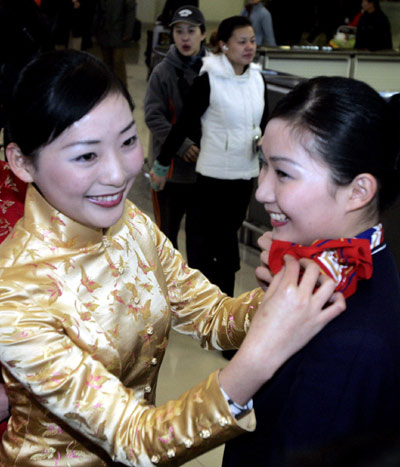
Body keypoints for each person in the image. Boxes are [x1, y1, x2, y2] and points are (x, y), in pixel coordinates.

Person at [0, 49, 345, 465]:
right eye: (86, 155)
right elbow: (134, 439)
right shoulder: (14, 295)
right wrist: (259, 358)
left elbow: (211, 316)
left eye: (128, 141)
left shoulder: (130, 223)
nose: (118, 173)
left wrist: (288, 294)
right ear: (21, 162)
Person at [223, 76, 400, 466]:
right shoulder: (327, 270)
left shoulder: (352, 343)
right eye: (263, 165)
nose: (262, 191)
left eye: (283, 173)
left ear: (358, 191)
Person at [152, 16, 269, 297]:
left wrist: (264, 141)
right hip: (213, 175)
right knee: (209, 241)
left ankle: (225, 304)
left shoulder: (256, 77)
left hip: (245, 174)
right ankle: (211, 302)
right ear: (224, 45)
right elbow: (183, 125)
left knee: (228, 237)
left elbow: (262, 122)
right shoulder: (209, 79)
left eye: (252, 40)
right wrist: (162, 162)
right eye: (241, 41)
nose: (249, 47)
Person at [144, 5, 207, 251]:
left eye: (191, 31)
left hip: (206, 170)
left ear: (202, 33)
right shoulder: (163, 72)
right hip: (170, 172)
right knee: (167, 238)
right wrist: (182, 146)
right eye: (179, 31)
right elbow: (153, 116)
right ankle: (166, 287)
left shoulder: (215, 71)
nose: (185, 37)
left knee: (200, 239)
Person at [93, 0, 136, 86]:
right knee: (106, 62)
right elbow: (98, 11)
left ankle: (121, 87)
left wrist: (128, 32)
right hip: (104, 31)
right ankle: (108, 86)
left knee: (118, 61)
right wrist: (95, 29)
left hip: (119, 31)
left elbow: (130, 12)